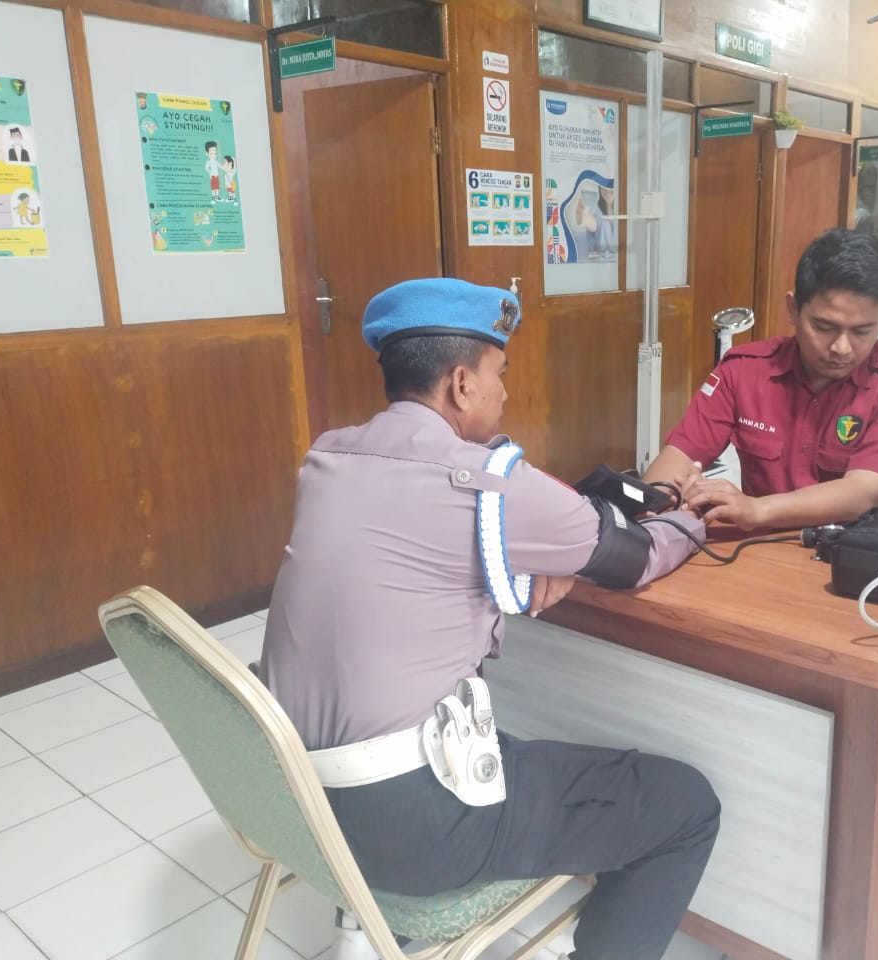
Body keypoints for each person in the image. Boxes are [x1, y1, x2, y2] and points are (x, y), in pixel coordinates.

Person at [259, 278, 720, 960]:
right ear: (461, 384)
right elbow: (635, 557)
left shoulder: (328, 457)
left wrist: (532, 556)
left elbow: (412, 559)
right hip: (411, 826)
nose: (505, 392)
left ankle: (385, 921)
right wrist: (691, 515)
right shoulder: (490, 484)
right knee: (684, 805)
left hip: (294, 798)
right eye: (499, 374)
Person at [643, 228, 878, 530]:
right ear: (793, 309)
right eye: (824, 327)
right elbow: (678, 458)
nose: (842, 348)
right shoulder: (743, 371)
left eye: (862, 331)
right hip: (761, 549)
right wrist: (665, 498)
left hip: (860, 551)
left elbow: (864, 493)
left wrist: (757, 509)